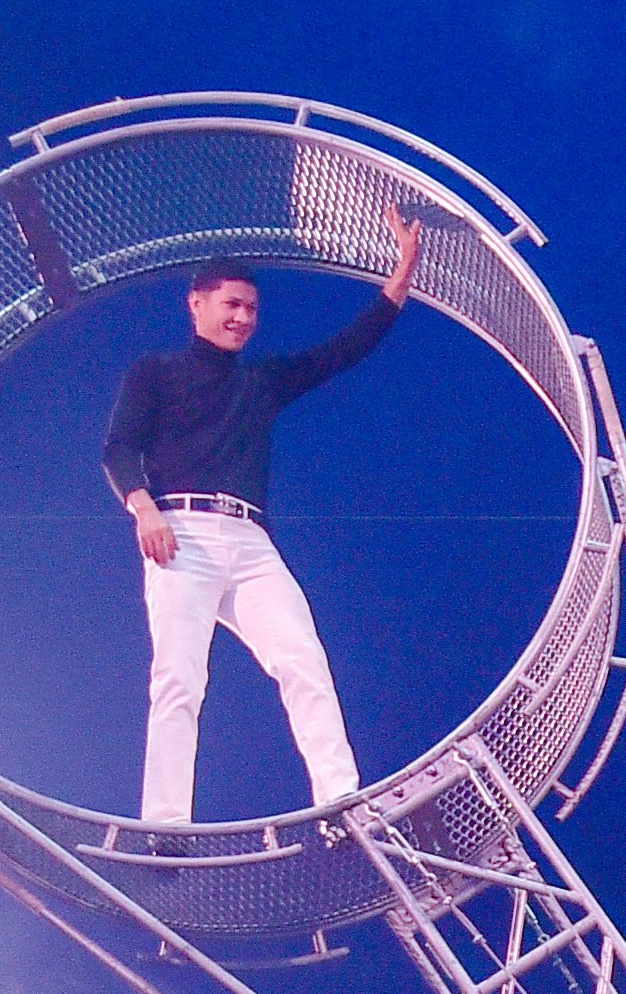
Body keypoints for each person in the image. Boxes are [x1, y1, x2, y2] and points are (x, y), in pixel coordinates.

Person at [104, 209, 430, 824]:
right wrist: (142, 508)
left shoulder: (262, 380)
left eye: (251, 310)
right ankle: (166, 825)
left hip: (250, 541)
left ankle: (342, 801)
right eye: (231, 305)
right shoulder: (157, 371)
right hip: (181, 533)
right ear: (196, 303)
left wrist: (404, 266)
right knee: (178, 679)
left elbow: (345, 349)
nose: (242, 319)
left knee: (302, 658)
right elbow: (119, 446)